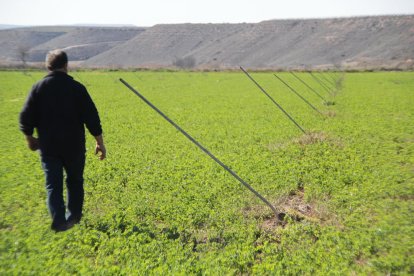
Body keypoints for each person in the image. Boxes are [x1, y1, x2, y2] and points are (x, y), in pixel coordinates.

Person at [19, 49, 106, 232]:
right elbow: (92, 117)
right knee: (75, 182)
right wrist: (99, 142)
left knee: (53, 184)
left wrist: (29, 138)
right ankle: (74, 218)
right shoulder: (77, 89)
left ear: (48, 66)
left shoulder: (38, 88)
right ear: (66, 65)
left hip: (49, 147)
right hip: (74, 147)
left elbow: (25, 118)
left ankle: (59, 222)